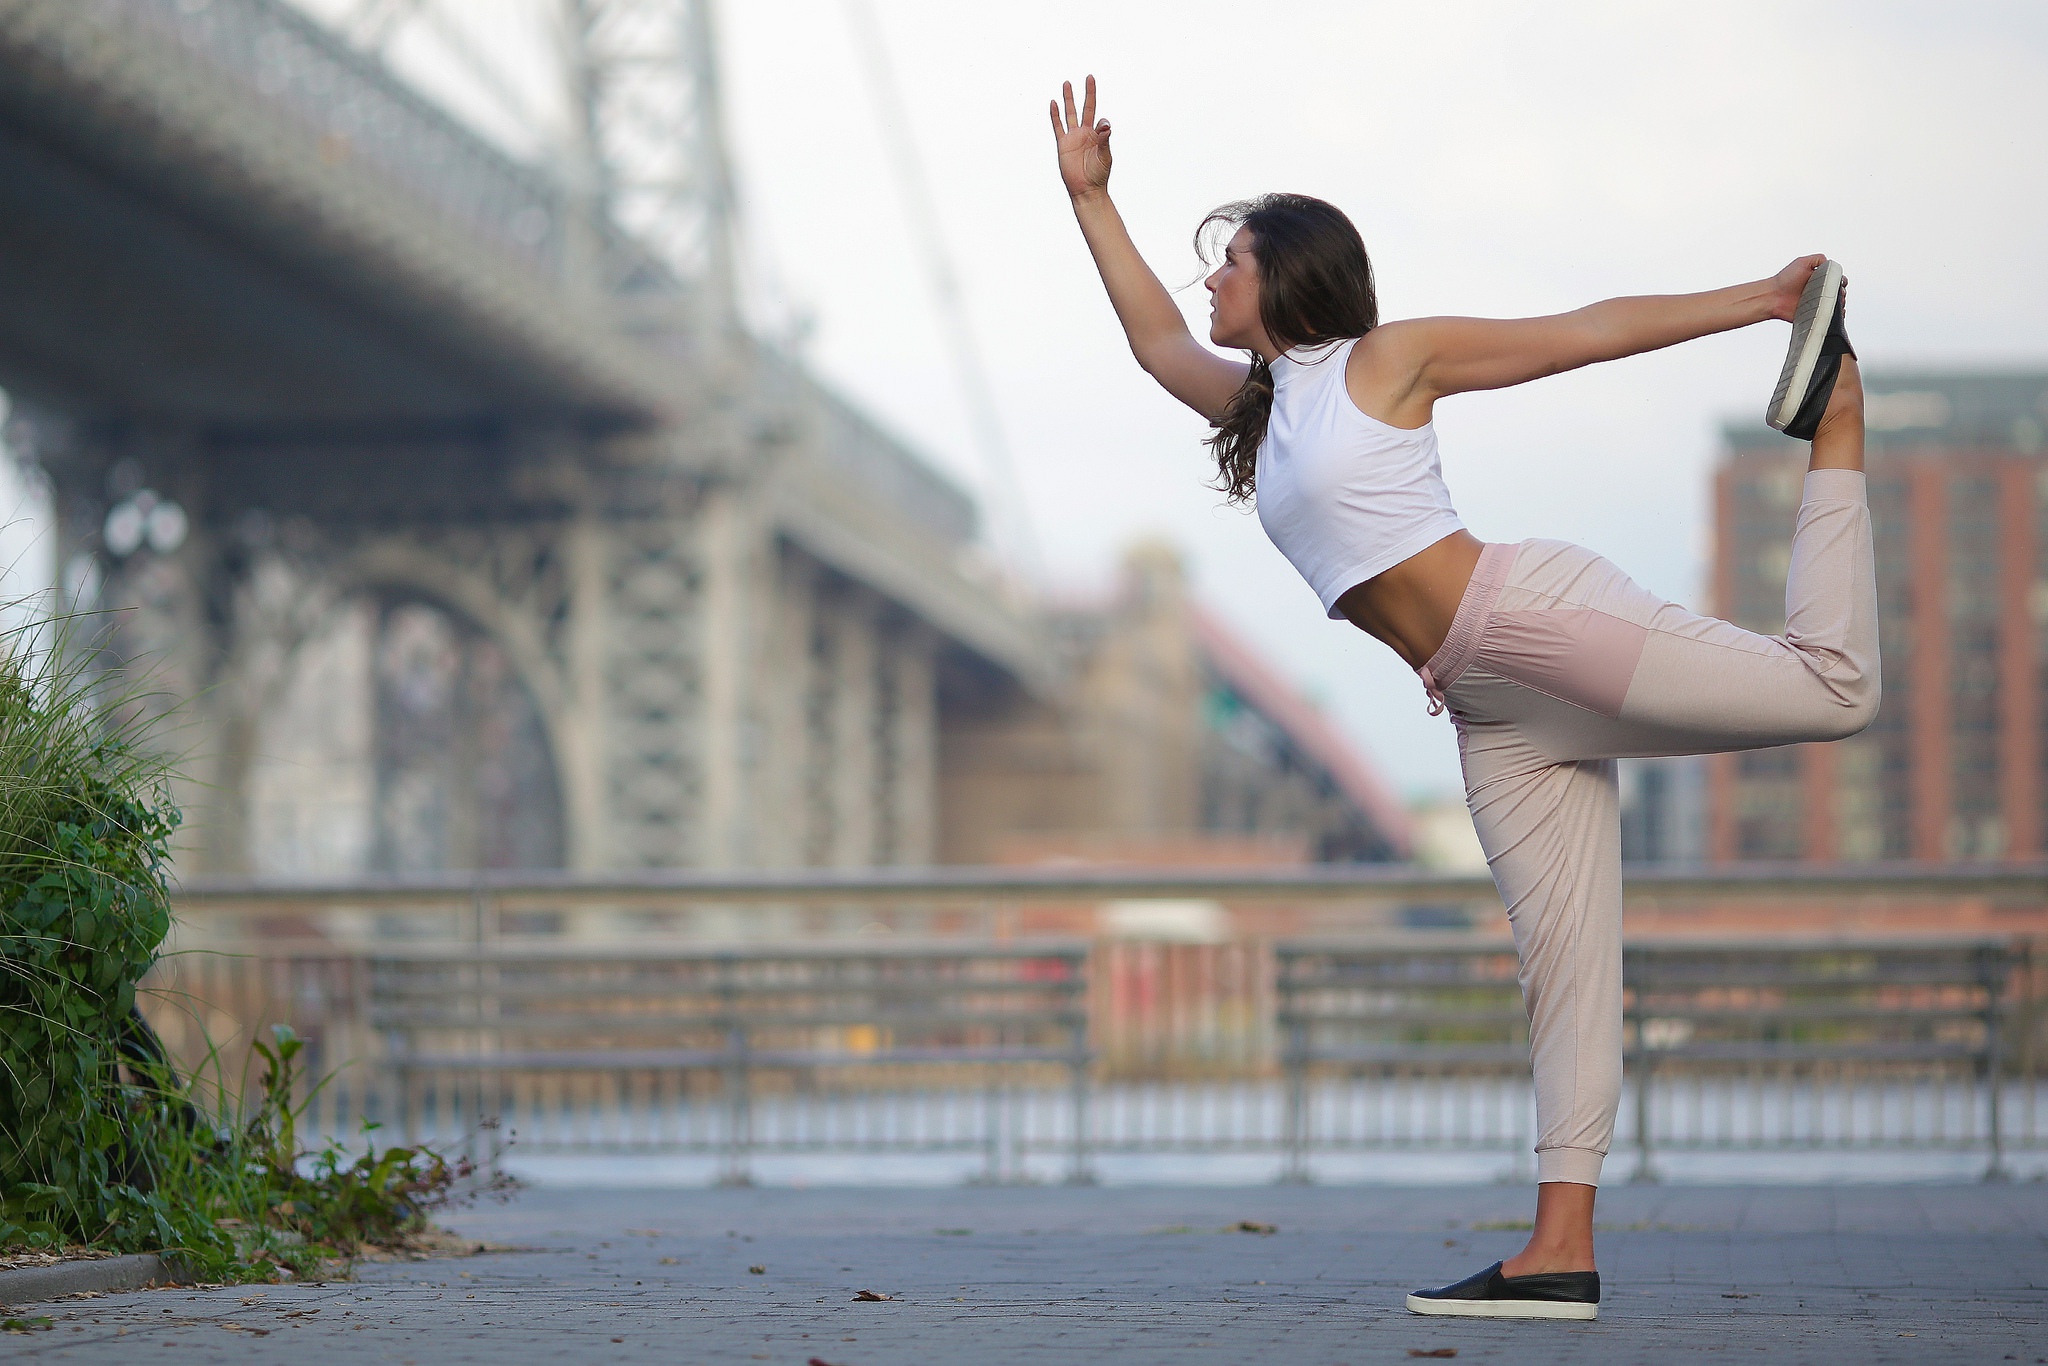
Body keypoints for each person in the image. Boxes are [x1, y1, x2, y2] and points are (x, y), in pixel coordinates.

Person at [1049, 75, 1876, 1321]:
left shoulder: (1385, 361)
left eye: (1231, 262)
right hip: (1484, 704)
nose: (1209, 282)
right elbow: (1151, 342)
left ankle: (1841, 425)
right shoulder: (1265, 413)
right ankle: (1557, 1253)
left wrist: (1758, 302)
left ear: (1292, 280)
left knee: (1831, 691)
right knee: (1562, 966)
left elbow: (1575, 331)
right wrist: (1090, 200)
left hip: (1531, 624)